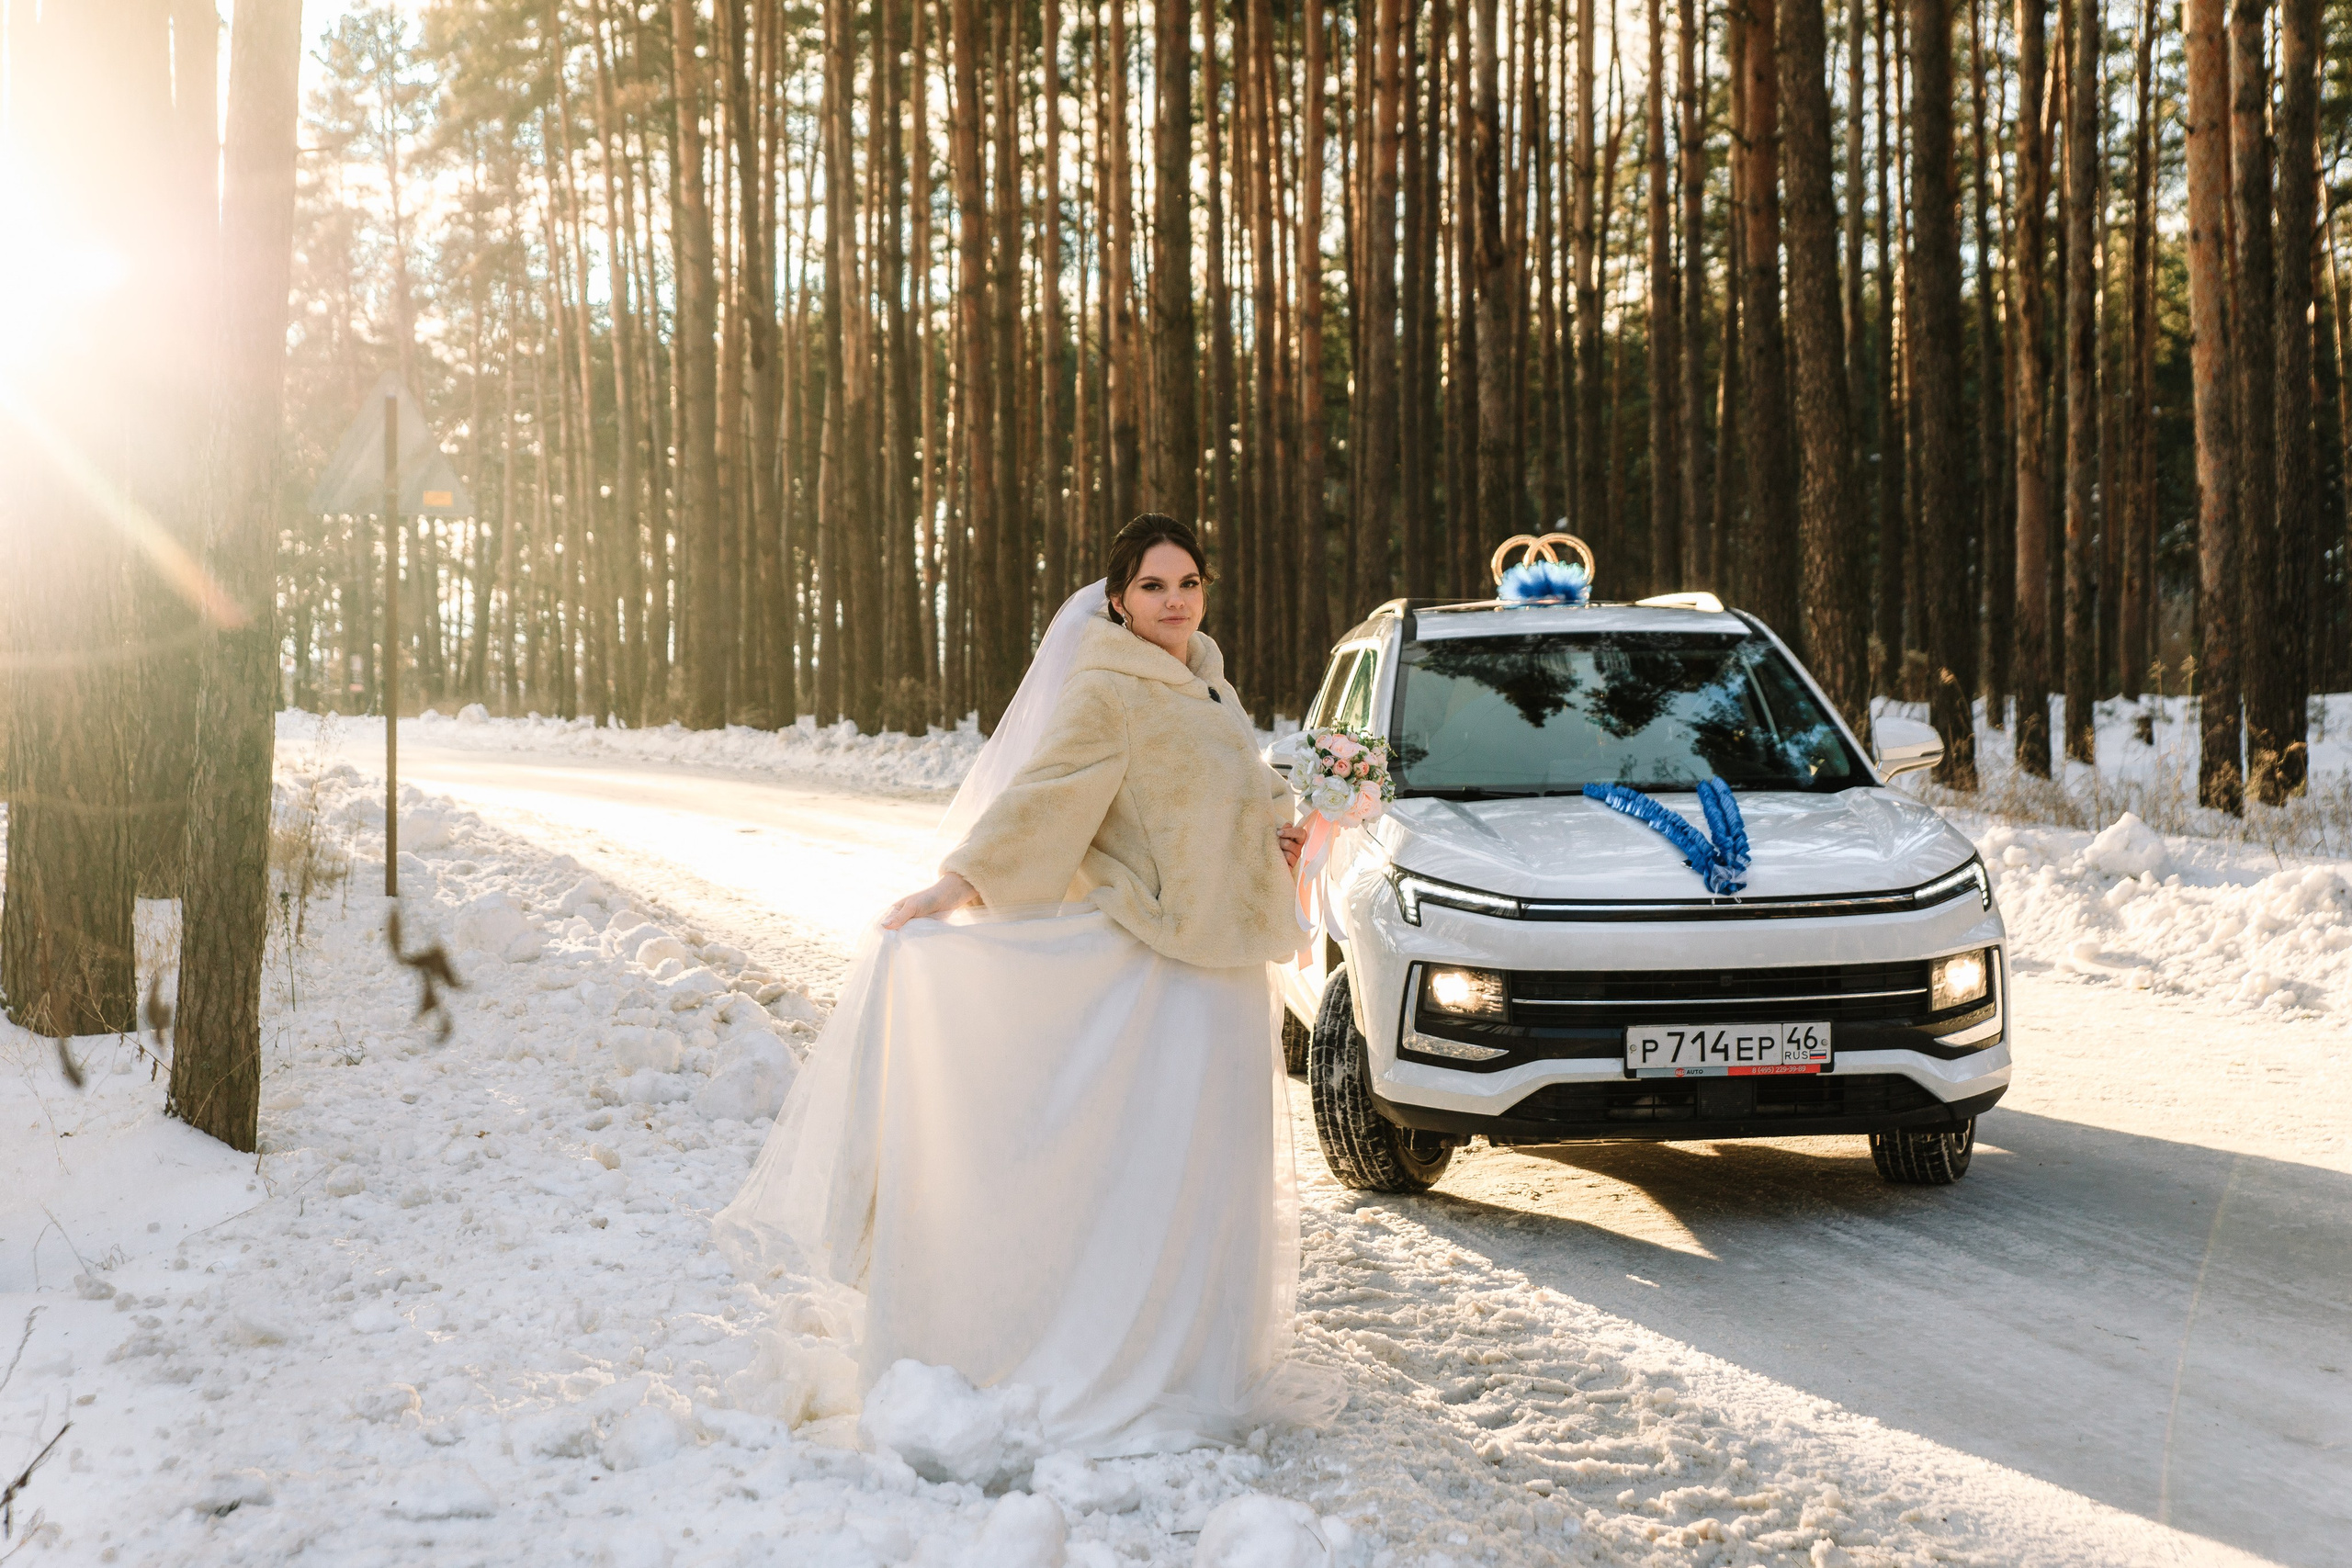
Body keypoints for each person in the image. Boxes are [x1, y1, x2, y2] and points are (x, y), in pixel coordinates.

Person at [713, 514, 1339, 1457]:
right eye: (1155, 587)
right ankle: (1109, 1351)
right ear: (1118, 599)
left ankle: (1195, 1359)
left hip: (1224, 962)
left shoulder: (1204, 675)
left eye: (1188, 582)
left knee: (1211, 1169)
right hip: (1164, 963)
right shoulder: (1111, 684)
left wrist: (1276, 832)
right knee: (1156, 1167)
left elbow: (1213, 799)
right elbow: (1049, 795)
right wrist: (955, 885)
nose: (1175, 601)